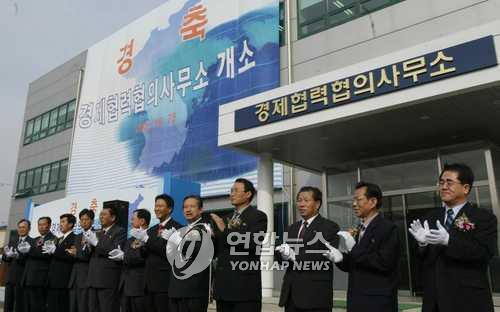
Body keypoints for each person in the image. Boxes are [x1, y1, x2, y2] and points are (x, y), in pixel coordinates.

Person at [409, 163, 497, 312]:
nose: (443, 187)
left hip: (468, 300)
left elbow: (483, 253)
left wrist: (449, 241)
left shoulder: (483, 217)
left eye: (449, 183)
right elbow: (420, 259)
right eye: (441, 182)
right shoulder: (430, 217)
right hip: (434, 301)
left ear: (466, 188)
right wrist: (421, 245)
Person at [334, 182, 400, 312]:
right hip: (356, 300)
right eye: (354, 200)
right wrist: (341, 258)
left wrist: (354, 248)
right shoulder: (359, 229)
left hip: (377, 303)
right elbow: (355, 263)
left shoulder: (388, 228)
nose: (354, 204)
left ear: (373, 201)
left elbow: (384, 263)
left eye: (358, 200)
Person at [277, 186, 340, 312]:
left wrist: (294, 256)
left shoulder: (329, 227)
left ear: (317, 204)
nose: (301, 204)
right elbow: (282, 258)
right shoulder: (291, 228)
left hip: (315, 297)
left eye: (306, 200)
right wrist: (282, 255)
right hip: (291, 296)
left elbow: (322, 255)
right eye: (299, 200)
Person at [210, 178, 268, 312]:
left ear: (248, 194)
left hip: (245, 289)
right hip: (223, 288)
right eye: (231, 191)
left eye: (236, 190)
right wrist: (210, 238)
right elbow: (217, 251)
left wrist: (225, 231)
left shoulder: (258, 216)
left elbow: (252, 243)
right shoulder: (224, 218)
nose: (231, 194)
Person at [169, 195, 213, 312]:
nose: (188, 210)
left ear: (200, 209)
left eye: (192, 206)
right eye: (185, 207)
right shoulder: (181, 230)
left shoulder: (206, 227)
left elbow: (200, 252)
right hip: (175, 288)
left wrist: (179, 241)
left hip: (194, 289)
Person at [142, 194, 182, 312]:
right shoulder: (151, 230)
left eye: (160, 206)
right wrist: (142, 246)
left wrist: (147, 241)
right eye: (156, 206)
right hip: (148, 283)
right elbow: (144, 254)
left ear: (169, 209)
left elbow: (168, 252)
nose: (157, 209)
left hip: (164, 283)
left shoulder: (177, 228)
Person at [87, 206, 127, 312]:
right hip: (92, 278)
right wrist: (87, 245)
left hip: (107, 280)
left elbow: (114, 251)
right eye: (100, 214)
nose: (101, 216)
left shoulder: (119, 231)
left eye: (104, 214)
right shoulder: (97, 232)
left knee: (107, 308)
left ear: (113, 217)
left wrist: (96, 243)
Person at [110, 209, 150, 312]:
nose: (131, 222)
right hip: (125, 286)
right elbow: (127, 257)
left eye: (133, 219)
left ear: (142, 221)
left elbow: (141, 257)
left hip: (139, 286)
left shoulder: (149, 237)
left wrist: (124, 256)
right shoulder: (129, 240)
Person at [20, 216, 57, 312]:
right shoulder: (35, 239)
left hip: (39, 279)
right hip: (27, 278)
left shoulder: (53, 239)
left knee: (37, 306)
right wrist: (21, 252)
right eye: (39, 225)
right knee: (26, 306)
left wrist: (29, 250)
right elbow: (27, 256)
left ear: (49, 226)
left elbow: (45, 254)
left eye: (43, 224)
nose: (41, 227)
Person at [46, 213, 77, 312]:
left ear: (71, 224)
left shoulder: (75, 238)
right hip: (52, 280)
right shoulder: (58, 239)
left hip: (63, 280)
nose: (61, 224)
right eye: (60, 222)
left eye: (63, 222)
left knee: (61, 307)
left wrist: (56, 251)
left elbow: (71, 257)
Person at [68, 209, 95, 312]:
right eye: (81, 220)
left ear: (92, 221)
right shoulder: (78, 236)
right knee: (72, 307)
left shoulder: (96, 234)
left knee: (83, 307)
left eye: (86, 219)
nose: (83, 222)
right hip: (74, 277)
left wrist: (77, 253)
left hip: (86, 276)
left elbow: (90, 255)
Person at [2, 219, 31, 312]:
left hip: (22, 279)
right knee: (7, 304)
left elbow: (30, 260)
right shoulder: (13, 241)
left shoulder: (32, 242)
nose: (21, 229)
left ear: (29, 229)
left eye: (24, 227)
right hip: (10, 278)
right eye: (19, 227)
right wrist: (7, 255)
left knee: (19, 305)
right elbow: (5, 259)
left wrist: (18, 256)